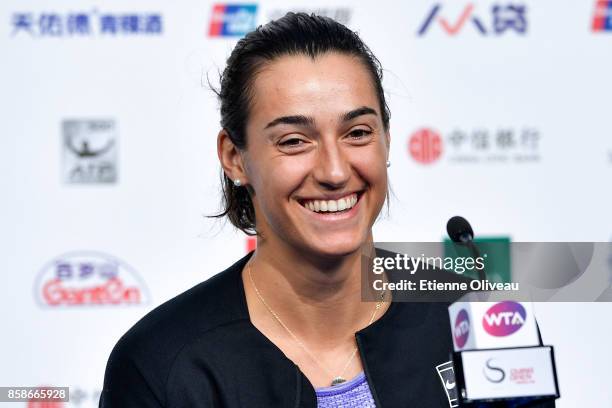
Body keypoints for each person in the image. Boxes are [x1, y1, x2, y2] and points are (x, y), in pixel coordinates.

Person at [99, 13, 554, 407]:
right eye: (294, 141)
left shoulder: (474, 312)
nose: (335, 171)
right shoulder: (161, 363)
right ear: (235, 157)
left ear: (387, 140)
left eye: (357, 132)